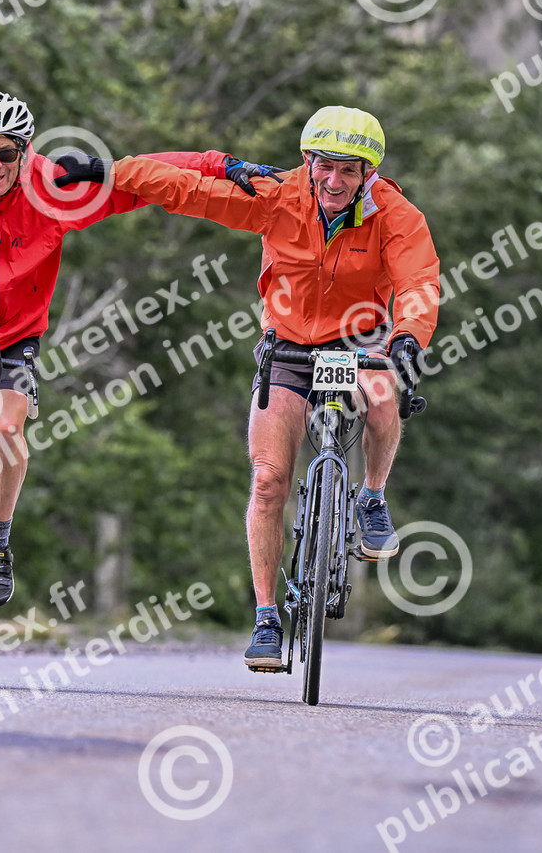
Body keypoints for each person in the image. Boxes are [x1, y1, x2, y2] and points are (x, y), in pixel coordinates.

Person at [55, 105, 440, 671]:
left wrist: (408, 337)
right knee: (268, 482)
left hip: (361, 336)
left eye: (349, 171)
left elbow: (418, 282)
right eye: (325, 167)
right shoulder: (279, 197)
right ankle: (266, 617)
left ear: (369, 174)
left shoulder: (396, 215)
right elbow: (184, 188)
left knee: (384, 397)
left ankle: (373, 498)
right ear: (307, 161)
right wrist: (107, 171)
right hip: (289, 343)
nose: (334, 181)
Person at [0, 91, 271, 606]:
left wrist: (218, 165)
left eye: (6, 153)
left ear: (25, 151)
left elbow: (137, 178)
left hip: (13, 333)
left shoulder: (50, 188)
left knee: (6, 429)